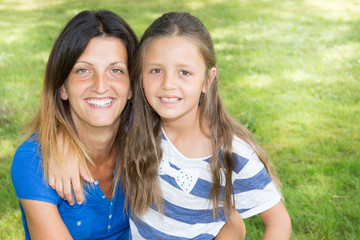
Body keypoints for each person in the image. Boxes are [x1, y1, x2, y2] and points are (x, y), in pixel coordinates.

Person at [119, 11, 292, 239]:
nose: (168, 84)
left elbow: (278, 220)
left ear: (207, 80)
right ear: (141, 75)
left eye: (184, 72)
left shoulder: (232, 153)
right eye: (156, 70)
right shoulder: (134, 124)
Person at [11, 10, 138, 239]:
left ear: (131, 87)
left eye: (116, 70)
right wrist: (56, 140)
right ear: (62, 87)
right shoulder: (34, 161)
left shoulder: (147, 141)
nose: (100, 85)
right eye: (83, 70)